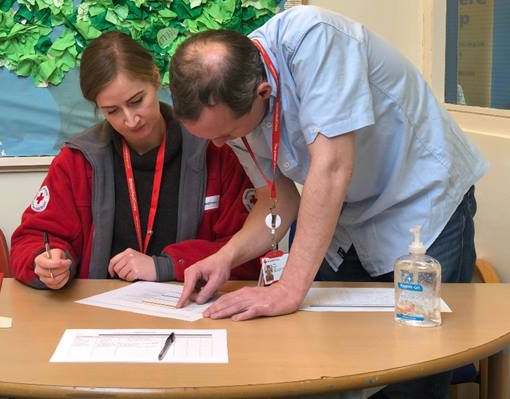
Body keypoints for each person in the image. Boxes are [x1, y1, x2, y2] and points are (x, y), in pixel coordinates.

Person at [168, 6, 487, 398]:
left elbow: (333, 167)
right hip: (348, 216)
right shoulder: (230, 97)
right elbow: (277, 199)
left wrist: (289, 288)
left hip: (422, 204)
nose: (220, 145)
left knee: (413, 370)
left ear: (262, 93)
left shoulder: (314, 39)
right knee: (322, 360)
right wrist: (225, 256)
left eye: (228, 134)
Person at [11, 31, 259, 290]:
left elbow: (249, 253)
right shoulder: (77, 160)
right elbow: (31, 239)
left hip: (191, 308)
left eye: (137, 101)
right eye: (112, 111)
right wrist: (45, 261)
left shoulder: (214, 148)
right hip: (98, 314)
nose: (130, 120)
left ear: (154, 78)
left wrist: (167, 264)